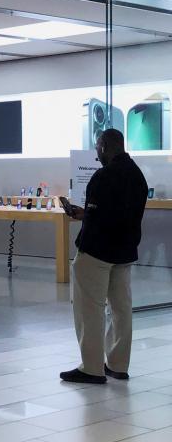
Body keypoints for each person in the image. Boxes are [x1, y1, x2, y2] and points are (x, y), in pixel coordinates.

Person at [61, 128, 148, 384]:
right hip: (124, 252)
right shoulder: (137, 175)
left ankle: (91, 368)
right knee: (121, 309)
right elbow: (118, 214)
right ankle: (118, 365)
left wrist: (85, 219)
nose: (97, 153)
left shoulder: (104, 176)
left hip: (97, 252)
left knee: (90, 308)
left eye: (98, 146)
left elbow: (98, 218)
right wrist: (85, 213)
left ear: (105, 145)